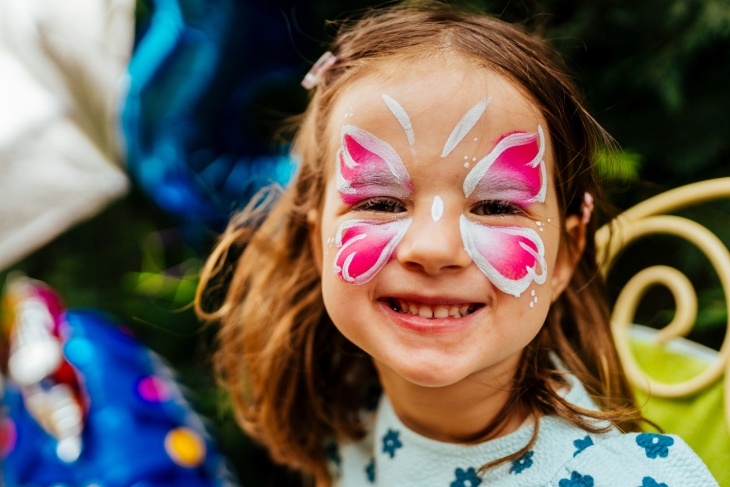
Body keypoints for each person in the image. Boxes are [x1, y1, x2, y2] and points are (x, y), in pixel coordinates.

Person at [196, 3, 717, 486]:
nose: (434, 247)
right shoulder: (352, 428)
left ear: (565, 255)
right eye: (381, 201)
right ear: (316, 239)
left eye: (496, 207)